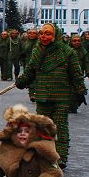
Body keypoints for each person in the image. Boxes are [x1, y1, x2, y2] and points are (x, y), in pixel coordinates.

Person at [15, 24, 86, 169]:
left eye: (47, 34)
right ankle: (43, 155)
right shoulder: (38, 51)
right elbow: (30, 71)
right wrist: (21, 82)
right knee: (41, 128)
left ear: (56, 35)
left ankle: (60, 158)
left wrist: (80, 91)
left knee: (60, 128)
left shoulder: (68, 52)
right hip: (42, 96)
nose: (43, 37)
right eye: (41, 34)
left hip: (61, 97)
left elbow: (76, 75)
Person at [70, 34, 88, 113]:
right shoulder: (68, 50)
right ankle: (70, 106)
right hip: (68, 74)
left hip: (79, 74)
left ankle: (75, 105)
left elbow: (86, 62)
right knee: (70, 91)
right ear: (71, 42)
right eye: (74, 41)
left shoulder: (83, 51)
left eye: (78, 41)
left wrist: (87, 71)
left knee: (79, 90)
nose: (76, 43)